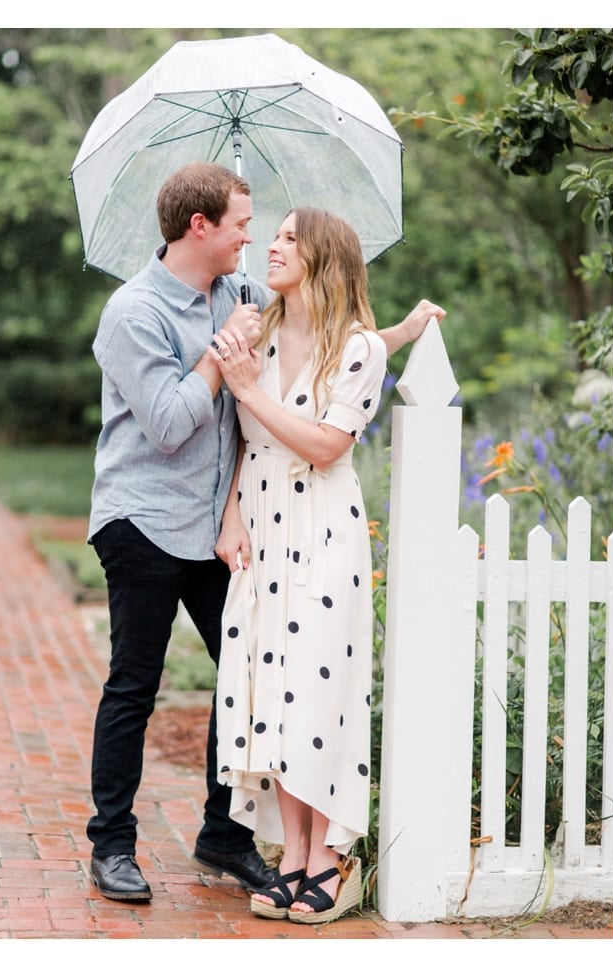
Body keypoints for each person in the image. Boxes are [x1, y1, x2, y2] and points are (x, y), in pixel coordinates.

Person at [84, 162, 442, 903]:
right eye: (245, 225)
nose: (254, 237)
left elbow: (333, 334)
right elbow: (174, 423)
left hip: (227, 529)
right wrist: (224, 355)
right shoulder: (134, 313)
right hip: (145, 520)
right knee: (134, 685)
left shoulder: (243, 295)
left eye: (266, 229)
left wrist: (402, 331)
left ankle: (225, 834)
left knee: (248, 675)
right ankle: (112, 845)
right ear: (200, 227)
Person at [209, 208, 390, 924]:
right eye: (272, 236)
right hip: (259, 525)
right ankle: (289, 850)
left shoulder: (360, 347)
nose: (270, 247)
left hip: (323, 530)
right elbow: (240, 439)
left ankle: (329, 855)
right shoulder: (256, 330)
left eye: (287, 238)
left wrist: (251, 389)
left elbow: (325, 445)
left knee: (319, 687)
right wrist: (229, 516)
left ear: (323, 256)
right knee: (272, 687)